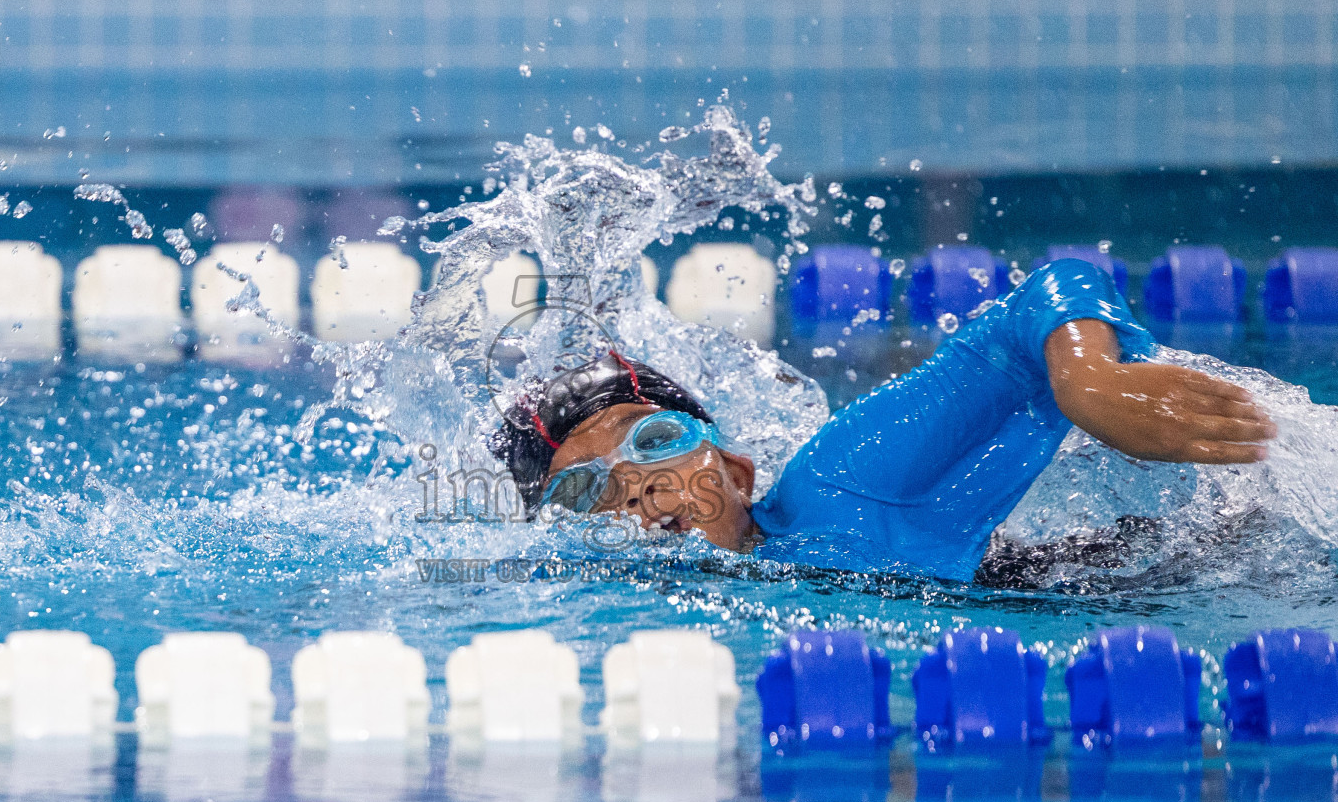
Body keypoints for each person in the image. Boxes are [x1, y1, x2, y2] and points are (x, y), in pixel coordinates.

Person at [489, 258, 1278, 583]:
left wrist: (1093, 381)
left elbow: (1051, 292)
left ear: (734, 470)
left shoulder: (844, 483)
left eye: (656, 439)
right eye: (583, 491)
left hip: (1196, 570)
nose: (638, 490)